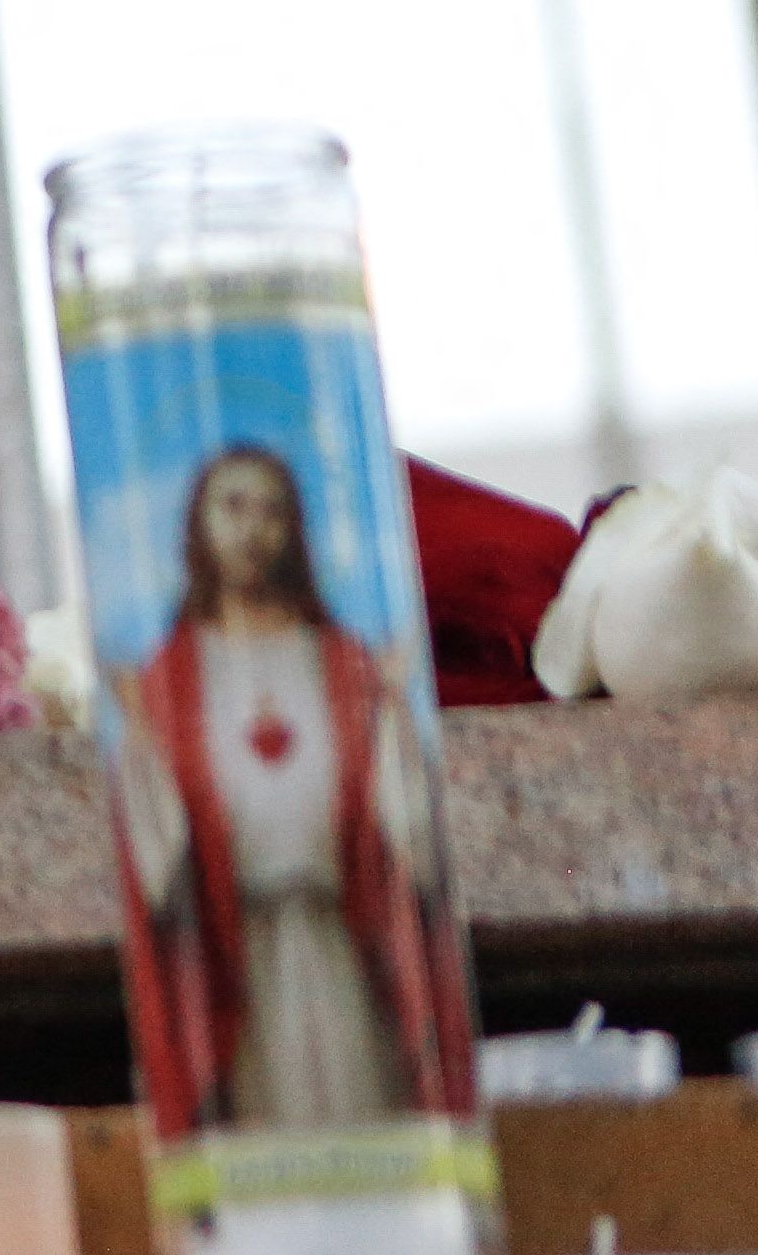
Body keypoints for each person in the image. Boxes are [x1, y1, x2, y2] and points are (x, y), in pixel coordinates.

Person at [113, 443, 473, 1132]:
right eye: (234, 507)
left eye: (273, 511)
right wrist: (141, 739)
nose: (253, 530)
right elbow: (159, 859)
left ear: (295, 530)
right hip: (238, 955)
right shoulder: (169, 680)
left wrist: (392, 711)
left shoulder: (346, 663)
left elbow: (403, 823)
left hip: (339, 947)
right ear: (200, 523)